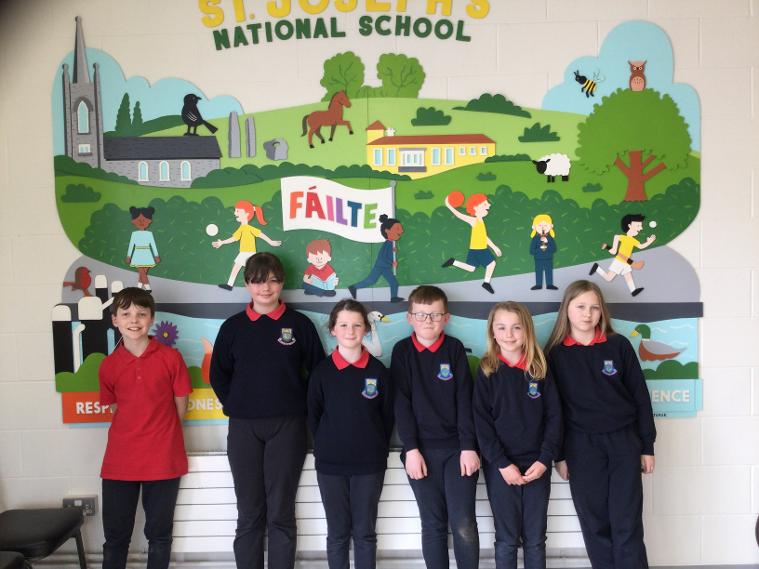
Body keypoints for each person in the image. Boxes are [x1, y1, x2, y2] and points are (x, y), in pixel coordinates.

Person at [210, 252, 325, 569]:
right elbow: (218, 374)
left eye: (273, 280)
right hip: (243, 428)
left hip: (288, 426)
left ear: (282, 283)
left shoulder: (299, 325)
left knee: (281, 511)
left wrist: (301, 406)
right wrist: (236, 403)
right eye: (258, 281)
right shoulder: (233, 327)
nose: (266, 288)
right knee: (249, 512)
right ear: (247, 284)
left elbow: (318, 374)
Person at [545, 280, 656, 569]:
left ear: (602, 311)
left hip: (623, 443)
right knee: (595, 525)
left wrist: (647, 446)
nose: (588, 314)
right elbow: (554, 412)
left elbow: (640, 398)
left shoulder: (618, 345)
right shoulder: (555, 354)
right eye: (580, 306)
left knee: (627, 522)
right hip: (581, 447)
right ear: (566, 309)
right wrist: (560, 455)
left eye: (594, 308)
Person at [98, 287, 192, 569]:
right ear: (115, 320)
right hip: (120, 462)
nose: (134, 320)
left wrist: (161, 435)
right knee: (115, 538)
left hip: (163, 459)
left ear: (152, 318)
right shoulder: (108, 366)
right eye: (126, 314)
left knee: (159, 536)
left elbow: (180, 406)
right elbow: (115, 409)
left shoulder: (171, 358)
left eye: (141, 314)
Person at [391, 285, 480, 569]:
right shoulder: (402, 351)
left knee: (463, 521)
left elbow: (465, 400)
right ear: (410, 318)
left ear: (446, 318)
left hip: (458, 450)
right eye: (421, 314)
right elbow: (401, 404)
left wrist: (468, 447)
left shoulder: (454, 349)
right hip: (420, 452)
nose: (428, 321)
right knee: (432, 523)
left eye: (435, 315)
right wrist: (411, 449)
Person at [473, 301, 562, 569]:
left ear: (527, 331)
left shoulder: (540, 368)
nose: (509, 335)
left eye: (516, 328)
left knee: (535, 539)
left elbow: (555, 417)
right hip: (501, 467)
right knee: (507, 539)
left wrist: (545, 459)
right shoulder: (487, 370)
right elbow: (482, 424)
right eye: (501, 327)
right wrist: (502, 463)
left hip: (537, 465)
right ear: (492, 331)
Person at [307, 299, 394, 569]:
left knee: (365, 533)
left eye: (357, 325)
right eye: (343, 325)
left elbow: (387, 417)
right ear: (333, 329)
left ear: (366, 329)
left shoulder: (378, 372)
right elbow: (313, 416)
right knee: (337, 534)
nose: (350, 331)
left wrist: (374, 447)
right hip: (331, 465)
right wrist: (328, 445)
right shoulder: (321, 373)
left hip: (369, 465)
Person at [213, 200, 281, 291]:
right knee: (239, 267)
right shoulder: (242, 228)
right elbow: (234, 238)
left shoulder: (248, 228)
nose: (235, 213)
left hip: (247, 252)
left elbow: (260, 234)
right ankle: (230, 285)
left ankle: (232, 285)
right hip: (245, 252)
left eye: (238, 211)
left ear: (246, 214)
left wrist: (270, 241)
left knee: (244, 269)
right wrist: (222, 242)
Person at [442, 193, 502, 294]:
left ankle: (453, 262)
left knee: (471, 268)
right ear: (475, 207)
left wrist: (494, 247)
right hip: (480, 249)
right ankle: (486, 283)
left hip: (474, 249)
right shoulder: (474, 221)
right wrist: (448, 205)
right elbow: (459, 215)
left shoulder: (480, 222)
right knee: (492, 263)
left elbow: (484, 237)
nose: (489, 205)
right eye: (485, 204)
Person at [589, 213, 656, 297]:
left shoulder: (633, 240)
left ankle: (633, 291)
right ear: (629, 225)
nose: (641, 228)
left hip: (626, 261)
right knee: (609, 278)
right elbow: (614, 247)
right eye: (638, 225)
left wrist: (649, 242)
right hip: (619, 261)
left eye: (641, 226)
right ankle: (597, 268)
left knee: (628, 275)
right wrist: (612, 248)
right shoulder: (622, 237)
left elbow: (641, 246)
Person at [348, 214, 404, 303]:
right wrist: (392, 262)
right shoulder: (388, 244)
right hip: (380, 266)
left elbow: (389, 256)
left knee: (393, 282)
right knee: (371, 280)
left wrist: (394, 257)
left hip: (385, 267)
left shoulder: (391, 244)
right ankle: (353, 287)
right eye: (398, 228)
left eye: (400, 228)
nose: (401, 231)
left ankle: (393, 297)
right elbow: (384, 256)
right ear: (387, 231)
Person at [125, 206, 159, 293]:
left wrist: (156, 256)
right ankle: (148, 288)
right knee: (141, 271)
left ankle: (139, 288)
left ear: (149, 221)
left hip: (147, 254)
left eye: (144, 220)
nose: (141, 222)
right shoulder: (134, 234)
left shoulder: (149, 234)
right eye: (138, 220)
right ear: (134, 221)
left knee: (143, 272)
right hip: (137, 254)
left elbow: (153, 245)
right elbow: (131, 245)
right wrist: (128, 256)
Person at [529, 214, 557, 291]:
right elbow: (531, 251)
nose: (543, 227)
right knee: (538, 271)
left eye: (545, 225)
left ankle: (549, 284)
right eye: (540, 225)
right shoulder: (535, 238)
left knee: (549, 271)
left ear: (551, 226)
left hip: (548, 258)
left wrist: (547, 242)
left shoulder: (550, 238)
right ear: (534, 227)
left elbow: (554, 249)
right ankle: (538, 285)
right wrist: (539, 249)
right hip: (538, 259)